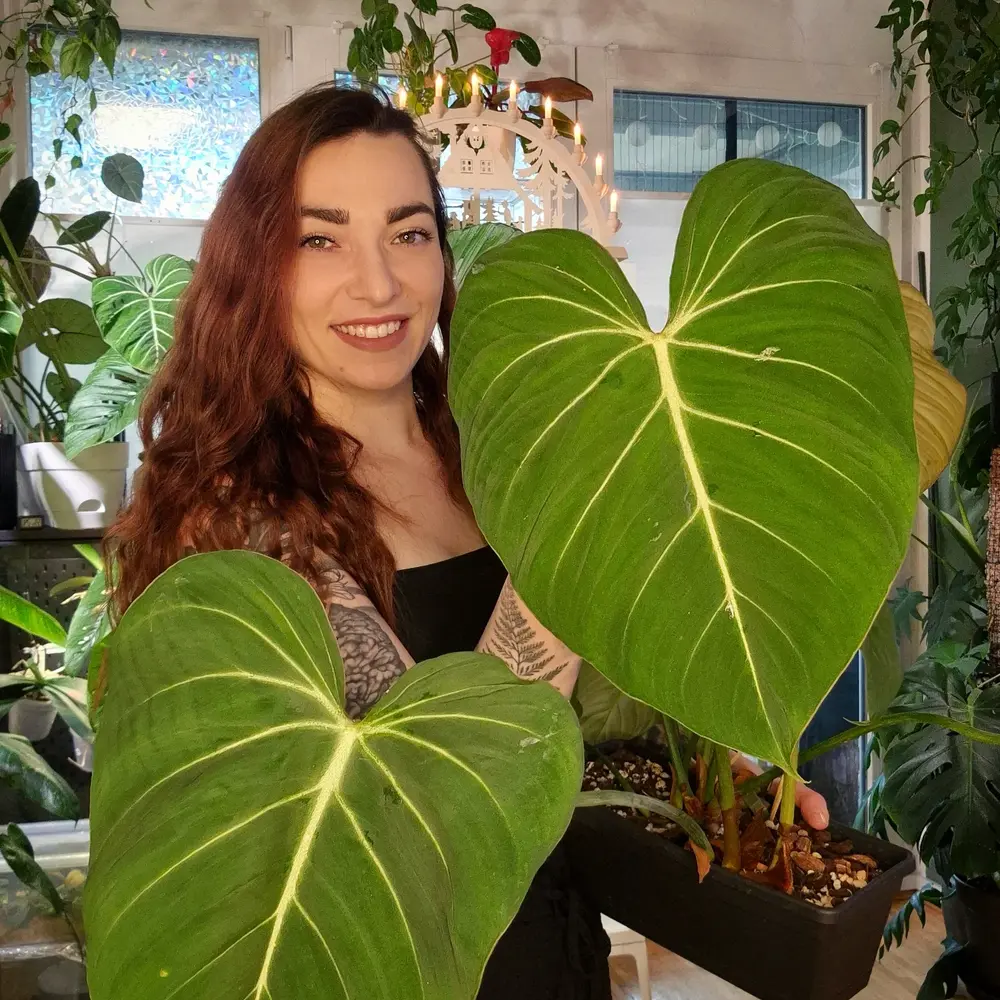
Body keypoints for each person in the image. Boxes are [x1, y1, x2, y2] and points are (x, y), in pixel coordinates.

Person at [107, 82, 827, 999]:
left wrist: (720, 765)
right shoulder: (232, 515)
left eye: (408, 233)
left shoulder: (494, 446)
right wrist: (571, 533)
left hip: (555, 952)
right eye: (319, 238)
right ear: (258, 265)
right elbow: (413, 806)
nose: (379, 284)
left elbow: (606, 693)